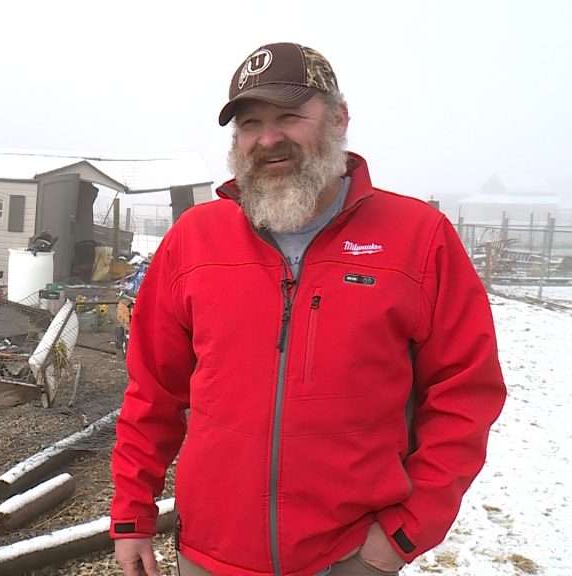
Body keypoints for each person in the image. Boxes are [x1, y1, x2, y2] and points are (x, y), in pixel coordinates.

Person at [109, 42, 506, 576]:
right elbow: (152, 390)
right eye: (250, 123)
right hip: (210, 554)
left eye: (289, 117)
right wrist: (132, 515)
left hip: (348, 558)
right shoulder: (193, 241)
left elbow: (466, 393)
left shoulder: (418, 239)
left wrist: (407, 531)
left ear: (339, 118)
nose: (268, 139)